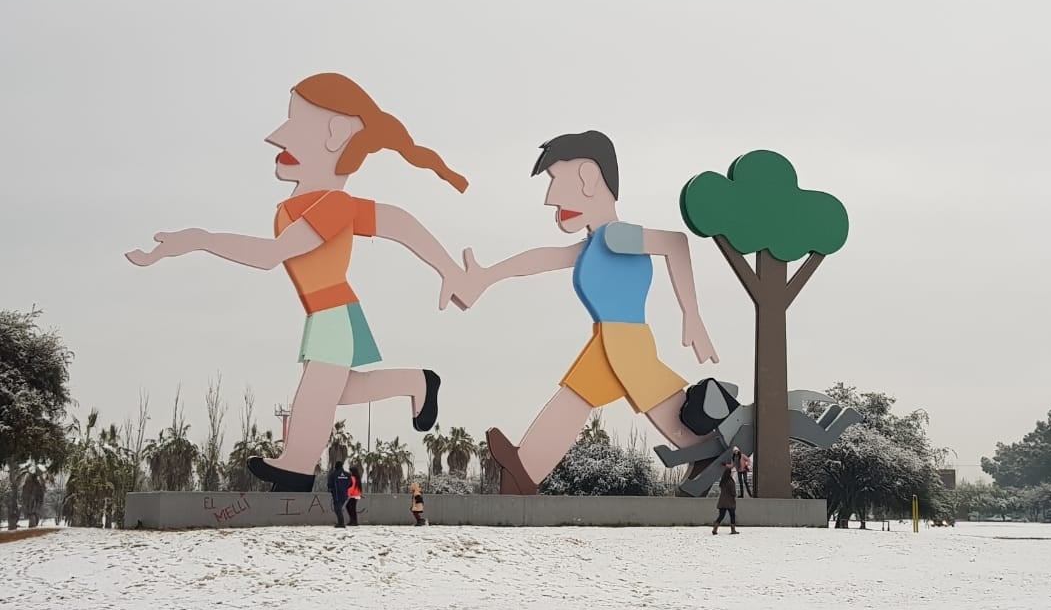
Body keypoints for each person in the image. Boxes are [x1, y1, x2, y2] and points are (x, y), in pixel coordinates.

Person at [125, 73, 472, 492]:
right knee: (339, 391)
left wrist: (199, 239)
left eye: (295, 123)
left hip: (333, 313)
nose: (277, 136)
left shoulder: (331, 206)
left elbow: (272, 255)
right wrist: (446, 268)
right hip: (328, 313)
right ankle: (418, 382)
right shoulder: (318, 204)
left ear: (336, 133)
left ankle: (297, 467)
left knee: (315, 397)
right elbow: (398, 221)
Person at [449, 131, 719, 494]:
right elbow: (542, 258)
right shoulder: (597, 243)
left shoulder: (618, 237)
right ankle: (525, 469)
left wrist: (693, 314)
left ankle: (526, 469)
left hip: (624, 338)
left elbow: (675, 242)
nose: (549, 198)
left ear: (588, 176)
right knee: (583, 398)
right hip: (613, 336)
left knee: (626, 399)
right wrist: (488, 275)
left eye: (556, 180)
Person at [713, 462, 739, 535]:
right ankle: (733, 530)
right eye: (731, 472)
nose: (732, 474)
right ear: (729, 473)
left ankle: (715, 527)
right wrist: (735, 495)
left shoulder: (723, 481)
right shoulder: (731, 482)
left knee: (721, 516)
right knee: (732, 515)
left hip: (722, 501)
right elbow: (733, 492)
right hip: (730, 502)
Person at [327, 461, 353, 528]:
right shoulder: (348, 475)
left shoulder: (333, 474)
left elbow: (329, 484)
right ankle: (340, 523)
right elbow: (351, 484)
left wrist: (331, 489)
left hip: (337, 494)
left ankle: (341, 523)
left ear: (336, 466)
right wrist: (345, 487)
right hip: (344, 494)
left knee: (337, 509)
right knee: (339, 508)